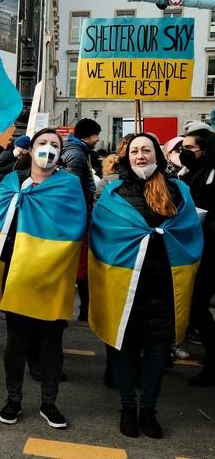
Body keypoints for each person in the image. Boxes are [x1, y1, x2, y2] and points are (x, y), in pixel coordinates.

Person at [0, 128, 86, 429]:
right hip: (18, 274)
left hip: (54, 275)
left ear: (60, 153)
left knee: (51, 342)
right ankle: (14, 399)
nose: (48, 149)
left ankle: (49, 403)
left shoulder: (70, 185)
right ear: (31, 150)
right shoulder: (12, 183)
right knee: (16, 342)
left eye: (55, 145)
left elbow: (75, 226)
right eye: (43, 144)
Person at [89, 133, 202, 438]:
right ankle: (127, 407)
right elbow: (101, 235)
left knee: (156, 353)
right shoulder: (114, 193)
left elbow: (189, 230)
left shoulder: (179, 191)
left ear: (158, 156)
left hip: (164, 286)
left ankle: (149, 409)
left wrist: (164, 236)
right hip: (125, 286)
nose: (141, 156)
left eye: (147, 151)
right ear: (127, 158)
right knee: (124, 349)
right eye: (135, 151)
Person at [179, 128, 215, 387]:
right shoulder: (195, 173)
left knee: (199, 306)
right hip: (196, 249)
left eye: (190, 148)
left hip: (209, 250)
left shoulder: (210, 174)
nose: (185, 152)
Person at [61, 118, 101, 323]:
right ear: (89, 135)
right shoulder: (77, 154)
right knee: (81, 267)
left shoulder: (76, 151)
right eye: (97, 134)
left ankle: (83, 309)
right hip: (79, 217)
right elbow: (73, 189)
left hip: (79, 215)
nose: (99, 139)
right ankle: (84, 310)